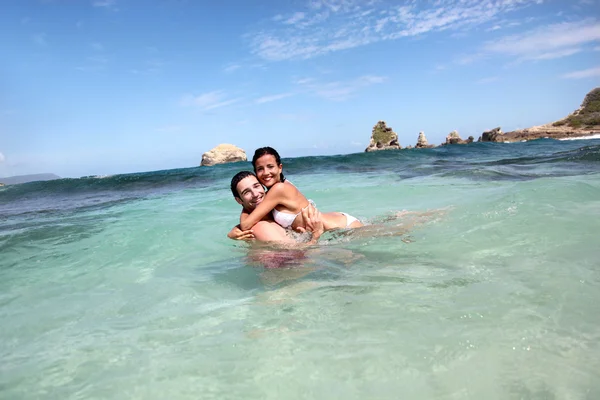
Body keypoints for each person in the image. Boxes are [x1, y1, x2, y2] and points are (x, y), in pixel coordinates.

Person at [229, 147, 363, 240]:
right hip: (334, 230)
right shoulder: (273, 191)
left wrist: (234, 231)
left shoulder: (279, 189)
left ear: (280, 168)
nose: (266, 173)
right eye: (260, 169)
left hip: (345, 227)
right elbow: (252, 213)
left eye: (270, 166)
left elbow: (247, 224)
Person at [228, 171, 323, 245]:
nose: (255, 194)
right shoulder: (261, 227)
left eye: (256, 186)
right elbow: (296, 253)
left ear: (263, 186)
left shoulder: (272, 209)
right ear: (239, 200)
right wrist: (316, 236)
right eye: (246, 192)